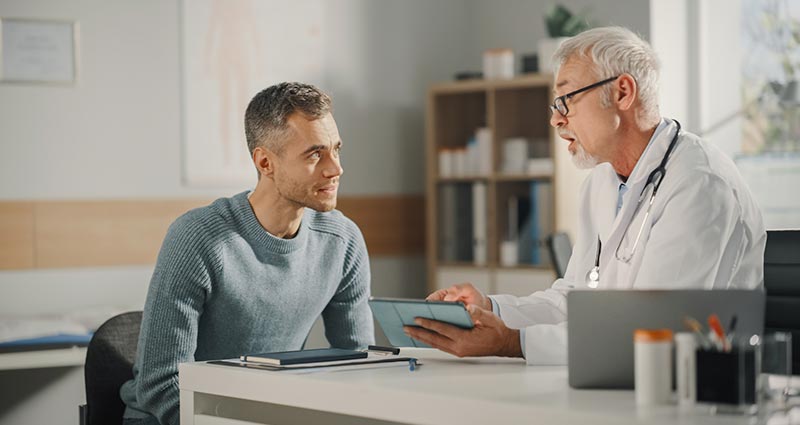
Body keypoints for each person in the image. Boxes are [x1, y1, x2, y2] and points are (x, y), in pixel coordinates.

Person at [404, 26, 766, 365]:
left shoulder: (700, 185)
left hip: (703, 391)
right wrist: (491, 311)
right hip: (620, 381)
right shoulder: (602, 183)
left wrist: (512, 342)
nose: (556, 119)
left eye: (567, 99)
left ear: (623, 92)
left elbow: (655, 330)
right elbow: (574, 299)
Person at [120, 82, 374, 425]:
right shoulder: (198, 238)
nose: (335, 168)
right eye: (315, 154)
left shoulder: (342, 241)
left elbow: (358, 365)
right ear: (265, 162)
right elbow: (160, 385)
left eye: (336, 150)